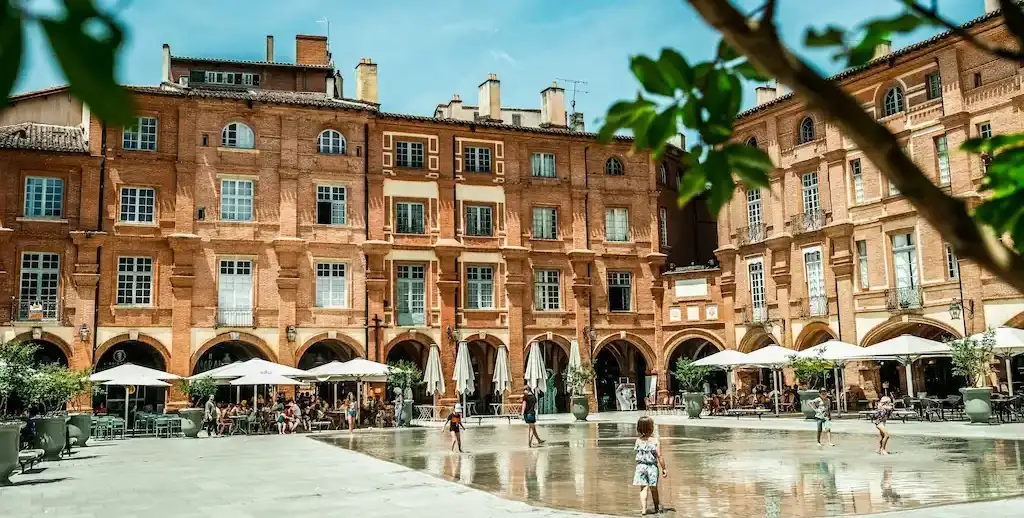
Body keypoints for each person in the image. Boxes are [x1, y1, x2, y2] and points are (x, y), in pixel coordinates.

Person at [633, 416, 667, 515]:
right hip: (652, 467)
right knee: (653, 488)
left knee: (643, 488)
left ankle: (644, 509)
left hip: (640, 467)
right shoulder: (655, 441)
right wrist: (664, 468)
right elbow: (659, 456)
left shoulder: (638, 441)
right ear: (651, 428)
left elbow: (637, 451)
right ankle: (656, 507)